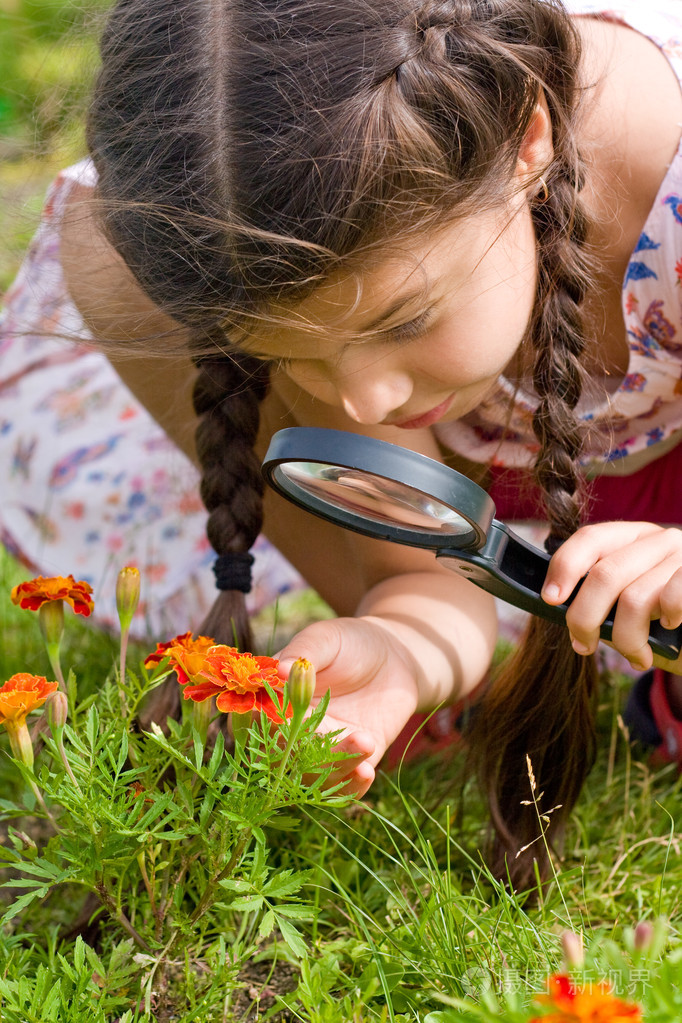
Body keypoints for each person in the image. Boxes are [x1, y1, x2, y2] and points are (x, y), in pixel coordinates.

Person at [4, 0, 682, 888]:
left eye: (406, 316)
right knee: (120, 260)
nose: (358, 397)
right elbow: (426, 576)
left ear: (529, 139)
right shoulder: (323, 233)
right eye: (293, 354)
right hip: (519, 477)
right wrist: (403, 648)